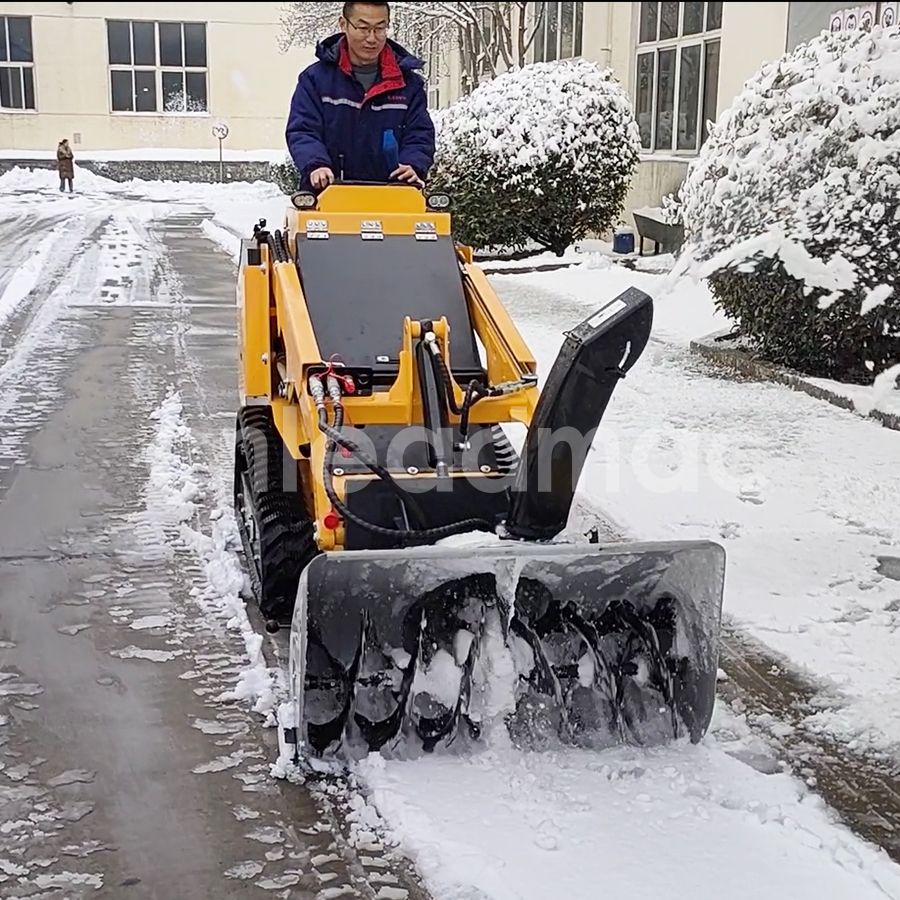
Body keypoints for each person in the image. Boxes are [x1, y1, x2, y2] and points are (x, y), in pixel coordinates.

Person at [285, 1, 435, 191]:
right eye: (363, 28)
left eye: (380, 28)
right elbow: (303, 130)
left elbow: (420, 134)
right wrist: (316, 164)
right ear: (343, 24)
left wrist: (413, 164)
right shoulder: (315, 80)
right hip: (328, 196)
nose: (372, 38)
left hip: (393, 195)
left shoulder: (408, 84)